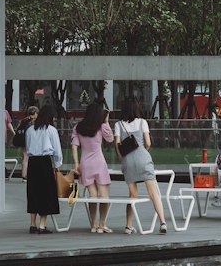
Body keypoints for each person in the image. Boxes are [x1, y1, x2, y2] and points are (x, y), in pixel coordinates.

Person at [114, 95, 168, 234]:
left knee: (132, 194)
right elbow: (148, 143)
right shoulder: (142, 122)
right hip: (143, 158)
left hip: (128, 160)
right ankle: (162, 222)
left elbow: (117, 146)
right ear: (136, 108)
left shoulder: (118, 124)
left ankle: (128, 226)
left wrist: (123, 159)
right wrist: (143, 151)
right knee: (153, 193)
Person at [71, 102, 115, 233]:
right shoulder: (101, 126)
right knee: (104, 195)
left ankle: (93, 224)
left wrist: (76, 163)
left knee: (93, 195)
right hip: (99, 163)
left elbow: (74, 146)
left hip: (85, 163)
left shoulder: (78, 127)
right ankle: (102, 224)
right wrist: (106, 121)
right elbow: (111, 139)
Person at [24, 103, 63, 232]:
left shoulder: (30, 130)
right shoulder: (51, 130)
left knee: (33, 191)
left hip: (33, 162)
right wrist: (57, 164)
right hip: (45, 162)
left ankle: (32, 224)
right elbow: (57, 150)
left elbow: (28, 147)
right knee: (46, 192)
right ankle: (42, 225)